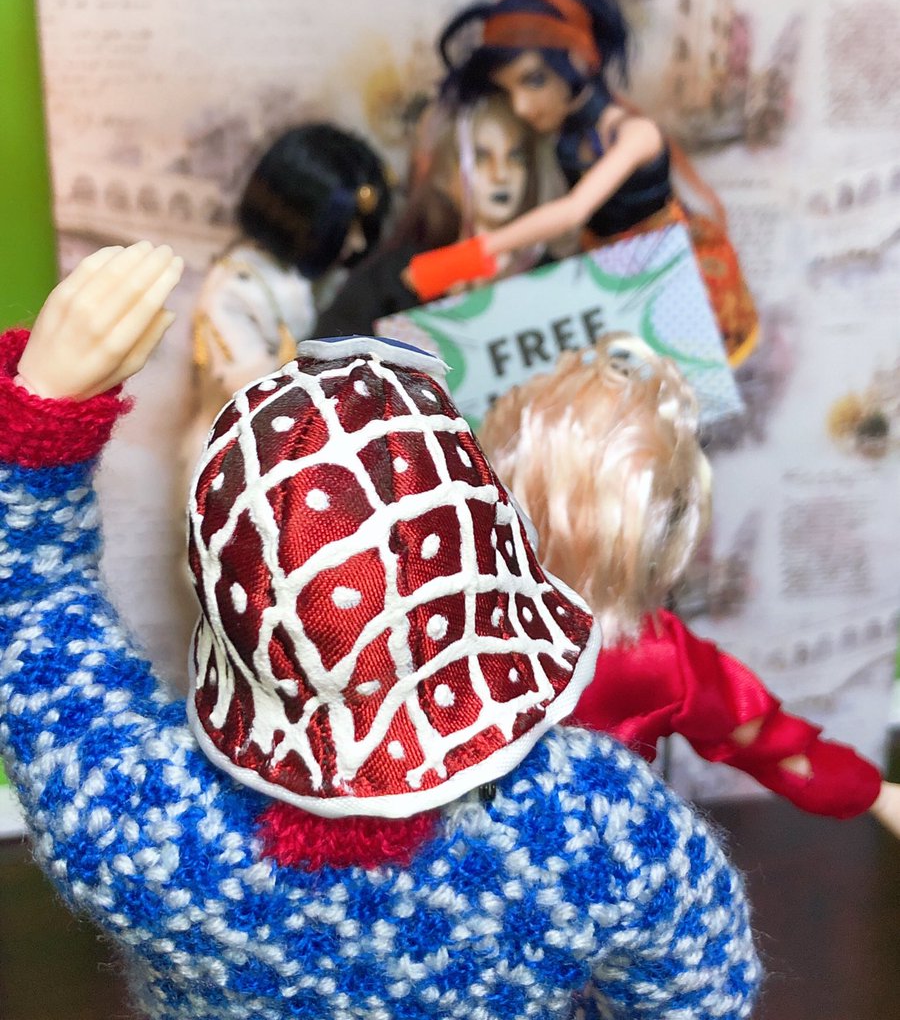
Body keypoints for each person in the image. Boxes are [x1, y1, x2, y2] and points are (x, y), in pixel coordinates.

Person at [0, 244, 760, 1020]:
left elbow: (30, 612)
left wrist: (42, 414)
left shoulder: (145, 822)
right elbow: (701, 993)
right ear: (488, 553)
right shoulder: (593, 828)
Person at [479, 333, 900, 832]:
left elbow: (770, 742)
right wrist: (874, 793)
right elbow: (775, 746)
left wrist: (872, 791)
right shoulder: (651, 653)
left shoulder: (641, 652)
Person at [405, 0, 759, 366]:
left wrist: (470, 255)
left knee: (682, 384)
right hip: (612, 282)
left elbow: (574, 210)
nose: (521, 106)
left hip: (671, 280)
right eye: (510, 90)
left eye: (534, 80)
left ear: (579, 58)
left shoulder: (635, 135)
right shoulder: (564, 138)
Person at [186, 122, 391, 455]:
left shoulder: (327, 279)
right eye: (345, 229)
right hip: (247, 453)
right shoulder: (233, 294)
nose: (358, 243)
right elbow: (260, 404)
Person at [312, 92, 561, 338]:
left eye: (515, 157)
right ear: (443, 172)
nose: (501, 175)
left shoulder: (554, 275)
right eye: (480, 158)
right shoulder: (391, 278)